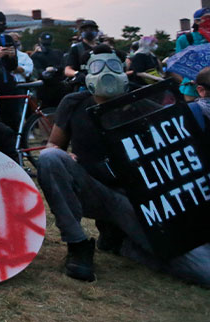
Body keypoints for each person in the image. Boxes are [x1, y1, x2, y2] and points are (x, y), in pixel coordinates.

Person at [38, 47, 210, 285]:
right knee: (50, 159)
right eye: (98, 67)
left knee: (204, 269)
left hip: (140, 201)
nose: (107, 73)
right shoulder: (73, 103)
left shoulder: (147, 101)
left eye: (114, 65)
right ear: (87, 73)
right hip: (95, 190)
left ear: (124, 70)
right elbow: (52, 145)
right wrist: (60, 154)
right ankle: (78, 244)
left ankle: (121, 243)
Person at [174, 7, 209, 102]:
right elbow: (179, 64)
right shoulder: (186, 39)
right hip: (193, 87)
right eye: (207, 18)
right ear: (197, 21)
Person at [31, 32, 67, 108]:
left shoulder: (58, 53)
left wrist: (54, 69)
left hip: (58, 86)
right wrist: (45, 72)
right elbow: (37, 70)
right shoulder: (35, 55)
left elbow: (63, 66)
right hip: (44, 87)